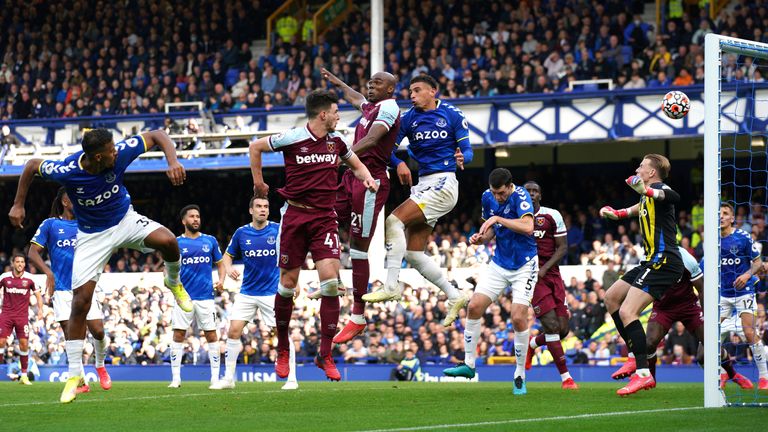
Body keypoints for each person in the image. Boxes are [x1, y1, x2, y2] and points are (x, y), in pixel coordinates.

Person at [8, 128, 193, 403]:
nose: (116, 152)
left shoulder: (118, 154)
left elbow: (156, 135)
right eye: (110, 151)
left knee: (168, 242)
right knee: (80, 302)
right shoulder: (67, 170)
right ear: (96, 158)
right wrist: (18, 204)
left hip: (124, 220)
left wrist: (172, 161)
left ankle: (173, 281)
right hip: (91, 235)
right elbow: (32, 165)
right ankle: (74, 375)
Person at [249, 89, 378, 381]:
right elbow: (255, 147)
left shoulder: (337, 142)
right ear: (323, 114)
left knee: (331, 284)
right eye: (334, 112)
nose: (337, 116)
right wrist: (259, 183)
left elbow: (355, 163)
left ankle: (325, 354)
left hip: (324, 218)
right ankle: (283, 348)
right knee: (287, 285)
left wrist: (367, 177)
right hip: (294, 216)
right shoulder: (292, 138)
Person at [364, 74, 473, 327]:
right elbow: (387, 150)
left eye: (417, 90)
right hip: (423, 184)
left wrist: (462, 158)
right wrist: (399, 162)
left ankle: (391, 285)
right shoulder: (408, 118)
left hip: (444, 182)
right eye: (410, 91)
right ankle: (455, 294)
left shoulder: (452, 114)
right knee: (413, 253)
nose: (411, 95)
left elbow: (467, 150)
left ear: (433, 91)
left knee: (393, 221)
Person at [318, 67, 401, 343]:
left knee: (358, 248)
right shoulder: (371, 107)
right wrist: (338, 81)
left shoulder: (388, 108)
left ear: (390, 89)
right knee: (324, 217)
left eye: (377, 83)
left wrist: (342, 156)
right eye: (369, 82)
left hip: (370, 183)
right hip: (351, 178)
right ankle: (333, 281)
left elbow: (374, 139)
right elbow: (355, 97)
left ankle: (358, 316)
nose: (370, 85)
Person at [443, 168, 537, 395]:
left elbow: (528, 227)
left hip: (525, 264)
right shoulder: (488, 197)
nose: (498, 198)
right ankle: (468, 365)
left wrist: (497, 218)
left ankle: (519, 375)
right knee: (474, 306)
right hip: (499, 263)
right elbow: (490, 233)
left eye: (501, 193)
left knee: (517, 316)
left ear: (510, 186)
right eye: (495, 193)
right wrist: (479, 239)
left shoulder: (521, 196)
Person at [599, 154, 683, 396]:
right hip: (650, 261)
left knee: (628, 311)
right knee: (611, 298)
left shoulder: (660, 188)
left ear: (652, 173)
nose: (637, 169)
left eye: (642, 166)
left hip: (664, 261)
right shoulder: (647, 195)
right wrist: (618, 214)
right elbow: (640, 208)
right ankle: (636, 356)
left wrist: (646, 191)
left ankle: (643, 373)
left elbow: (673, 197)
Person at [28, 187, 111, 394]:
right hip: (63, 290)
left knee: (98, 331)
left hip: (86, 287)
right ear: (65, 201)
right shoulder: (51, 224)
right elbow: (32, 252)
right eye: (74, 197)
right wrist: (48, 273)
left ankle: (100, 364)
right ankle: (81, 381)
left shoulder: (88, 224)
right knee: (72, 336)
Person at [210, 196, 298, 390]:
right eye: (258, 206)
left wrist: (295, 281)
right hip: (247, 292)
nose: (263, 209)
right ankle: (229, 379)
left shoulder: (277, 229)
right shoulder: (242, 233)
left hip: (271, 293)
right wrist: (229, 267)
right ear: (251, 210)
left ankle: (292, 378)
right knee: (233, 331)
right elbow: (226, 256)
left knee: (281, 332)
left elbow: (292, 253)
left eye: (266, 206)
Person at [522, 181, 578, 390]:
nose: (532, 194)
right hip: (532, 277)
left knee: (563, 330)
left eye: (535, 191)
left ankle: (532, 344)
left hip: (552, 274)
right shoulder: (517, 217)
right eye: (528, 191)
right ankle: (566, 378)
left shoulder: (552, 215)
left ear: (540, 196)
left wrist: (545, 269)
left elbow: (562, 248)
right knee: (552, 327)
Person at [168, 205, 225, 389]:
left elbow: (221, 263)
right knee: (178, 334)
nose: (196, 219)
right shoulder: (176, 243)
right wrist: (175, 291)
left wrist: (222, 279)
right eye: (192, 216)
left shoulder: (210, 241)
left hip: (206, 297)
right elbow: (168, 269)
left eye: (198, 216)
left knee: (211, 335)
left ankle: (215, 378)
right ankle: (176, 378)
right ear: (184, 221)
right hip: (184, 298)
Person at [715, 203, 768, 389]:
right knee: (713, 336)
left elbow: (758, 262)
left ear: (732, 218)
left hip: (743, 292)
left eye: (725, 213)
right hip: (722, 294)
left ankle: (763, 376)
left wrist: (747, 275)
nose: (721, 216)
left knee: (748, 332)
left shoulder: (742, 237)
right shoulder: (713, 240)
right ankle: (722, 373)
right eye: (718, 213)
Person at [0, 254, 42, 386]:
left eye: (22, 262)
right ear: (13, 263)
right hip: (6, 315)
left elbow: (38, 295)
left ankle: (24, 376)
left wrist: (40, 310)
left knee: (24, 344)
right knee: (1, 342)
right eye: (17, 262)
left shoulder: (30, 278)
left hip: (22, 317)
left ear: (25, 264)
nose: (20, 264)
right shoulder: (4, 277)